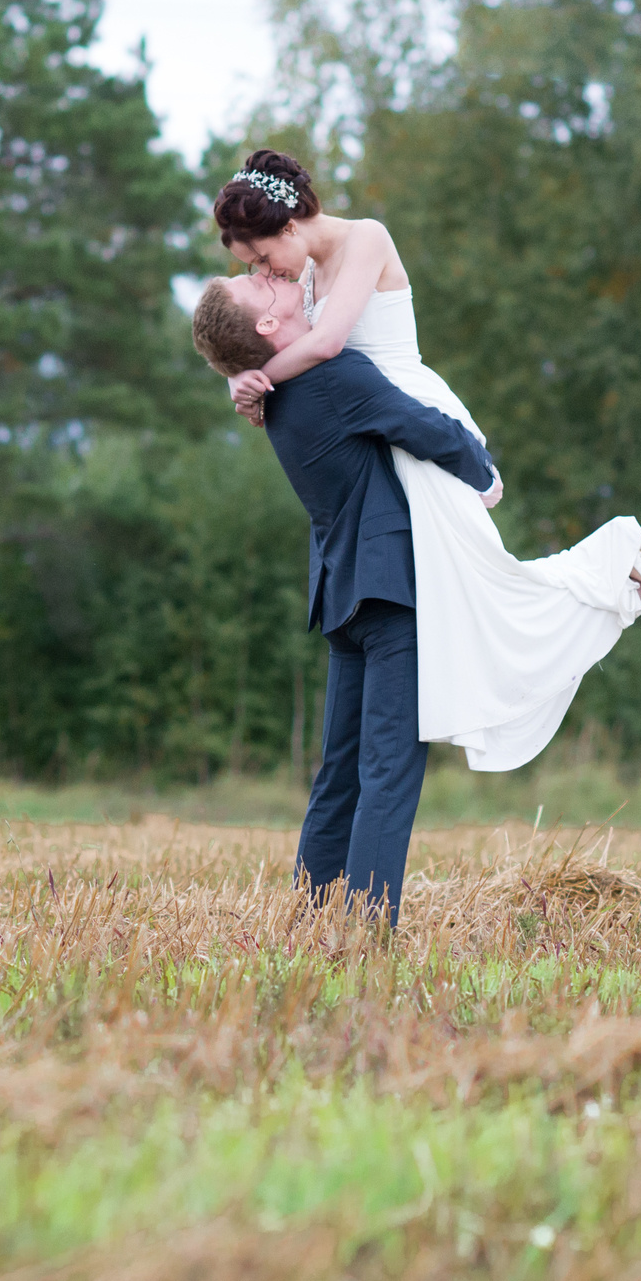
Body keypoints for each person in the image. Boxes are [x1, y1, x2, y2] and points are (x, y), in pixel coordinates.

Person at [211, 151, 641, 776]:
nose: (266, 270)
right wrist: (246, 380)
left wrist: (253, 376)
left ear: (287, 227)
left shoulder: (366, 238)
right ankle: (628, 581)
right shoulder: (307, 277)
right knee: (479, 592)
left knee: (489, 584)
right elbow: (296, 350)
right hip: (377, 435)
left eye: (261, 259)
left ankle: (621, 556)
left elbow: (326, 345)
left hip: (411, 421)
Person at [190, 271, 498, 925]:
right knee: (388, 770)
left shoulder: (275, 395)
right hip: (392, 594)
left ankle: (314, 915)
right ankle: (362, 933)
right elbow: (425, 428)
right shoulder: (332, 378)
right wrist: (486, 469)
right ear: (268, 326)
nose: (269, 277)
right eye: (256, 284)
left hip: (344, 594)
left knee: (342, 772)